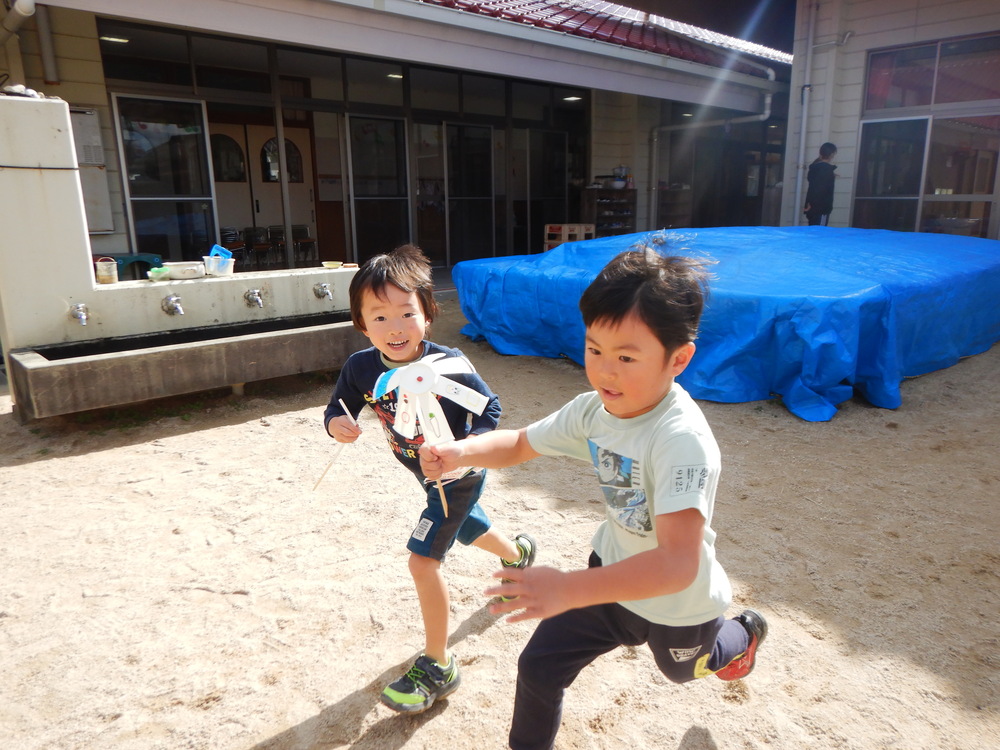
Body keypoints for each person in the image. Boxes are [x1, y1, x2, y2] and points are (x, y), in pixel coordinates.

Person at [420, 249, 767, 750]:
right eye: (594, 349)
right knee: (539, 666)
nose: (606, 371)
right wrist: (461, 451)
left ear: (679, 358)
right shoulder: (594, 411)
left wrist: (567, 589)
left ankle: (744, 634)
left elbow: (676, 564)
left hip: (675, 603)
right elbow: (520, 443)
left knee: (685, 670)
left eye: (626, 357)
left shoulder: (680, 440)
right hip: (609, 572)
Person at [323, 244, 536, 714]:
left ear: (427, 314)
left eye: (406, 313)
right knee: (466, 526)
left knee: (423, 561)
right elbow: (339, 408)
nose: (394, 328)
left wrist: (466, 451)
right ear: (361, 323)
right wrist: (339, 426)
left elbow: (490, 409)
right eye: (378, 318)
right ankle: (520, 553)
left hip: (459, 474)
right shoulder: (361, 367)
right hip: (420, 472)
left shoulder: (450, 365)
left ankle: (440, 664)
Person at [804, 141, 838, 225]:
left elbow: (815, 185)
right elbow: (820, 189)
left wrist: (809, 203)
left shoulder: (815, 168)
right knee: (820, 233)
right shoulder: (826, 170)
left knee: (812, 232)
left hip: (812, 208)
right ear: (831, 154)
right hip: (821, 208)